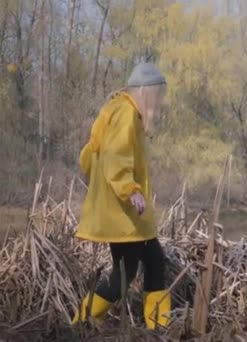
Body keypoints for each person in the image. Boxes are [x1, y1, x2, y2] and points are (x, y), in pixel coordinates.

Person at [71, 62, 171, 330]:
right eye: (158, 95)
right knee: (123, 277)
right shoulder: (126, 112)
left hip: (130, 216)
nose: (159, 103)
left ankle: (157, 327)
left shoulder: (122, 112)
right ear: (146, 92)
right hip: (124, 214)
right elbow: (117, 156)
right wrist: (130, 190)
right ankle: (82, 321)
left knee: (155, 262)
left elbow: (92, 157)